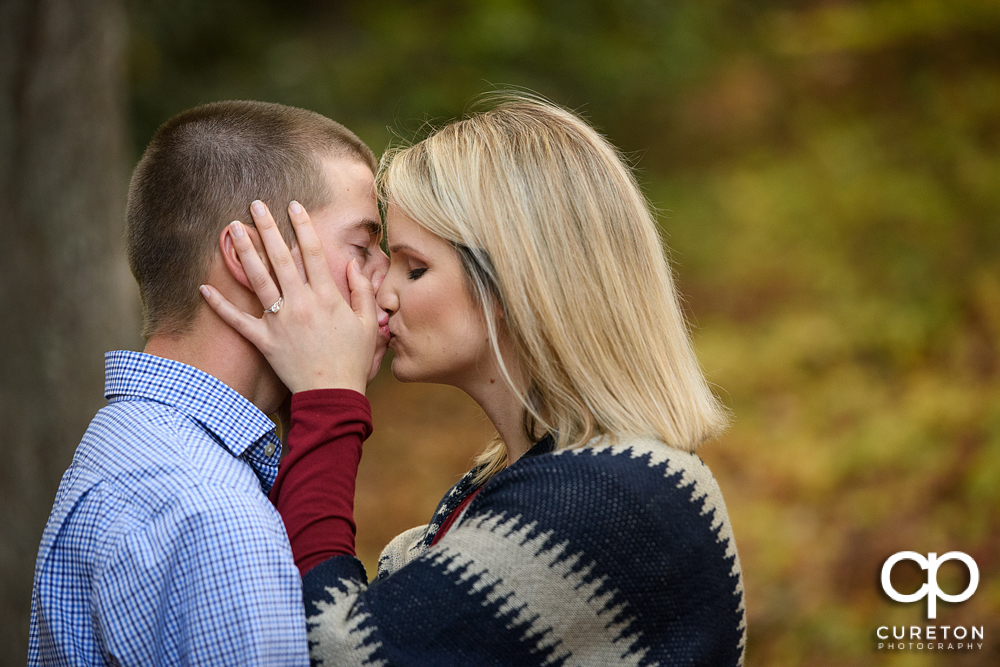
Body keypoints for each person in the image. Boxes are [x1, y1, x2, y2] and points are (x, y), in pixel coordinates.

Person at [204, 95, 747, 665]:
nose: (383, 294)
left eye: (414, 268)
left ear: (513, 284)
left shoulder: (604, 498)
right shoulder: (548, 476)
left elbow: (336, 651)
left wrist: (327, 399)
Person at [28, 100, 390, 665]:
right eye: (364, 248)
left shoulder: (128, 438)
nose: (385, 281)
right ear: (251, 261)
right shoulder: (216, 521)